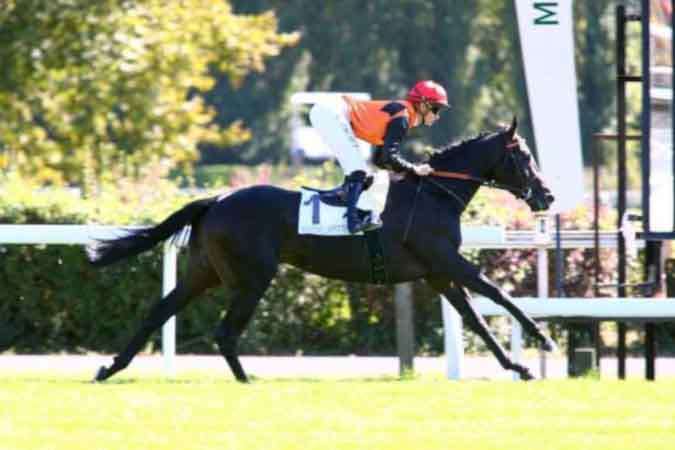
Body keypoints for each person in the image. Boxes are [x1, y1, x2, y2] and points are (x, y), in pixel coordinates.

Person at [308, 80, 449, 234]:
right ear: (423, 105)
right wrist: (414, 169)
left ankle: (344, 206)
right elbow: (389, 157)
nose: (437, 116)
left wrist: (405, 172)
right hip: (331, 111)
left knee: (363, 175)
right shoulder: (402, 117)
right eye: (436, 109)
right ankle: (353, 222)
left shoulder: (404, 115)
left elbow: (380, 160)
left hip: (330, 111)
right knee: (359, 172)